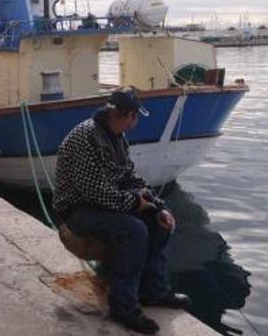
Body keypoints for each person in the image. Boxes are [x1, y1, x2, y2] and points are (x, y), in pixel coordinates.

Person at [53, 86, 191, 335]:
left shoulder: (115, 135)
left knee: (159, 221)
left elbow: (128, 176)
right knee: (133, 230)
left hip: (102, 202)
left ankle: (154, 291)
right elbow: (97, 194)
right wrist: (136, 204)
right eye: (136, 116)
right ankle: (123, 307)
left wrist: (156, 205)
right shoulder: (86, 139)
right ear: (127, 115)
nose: (136, 121)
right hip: (77, 209)